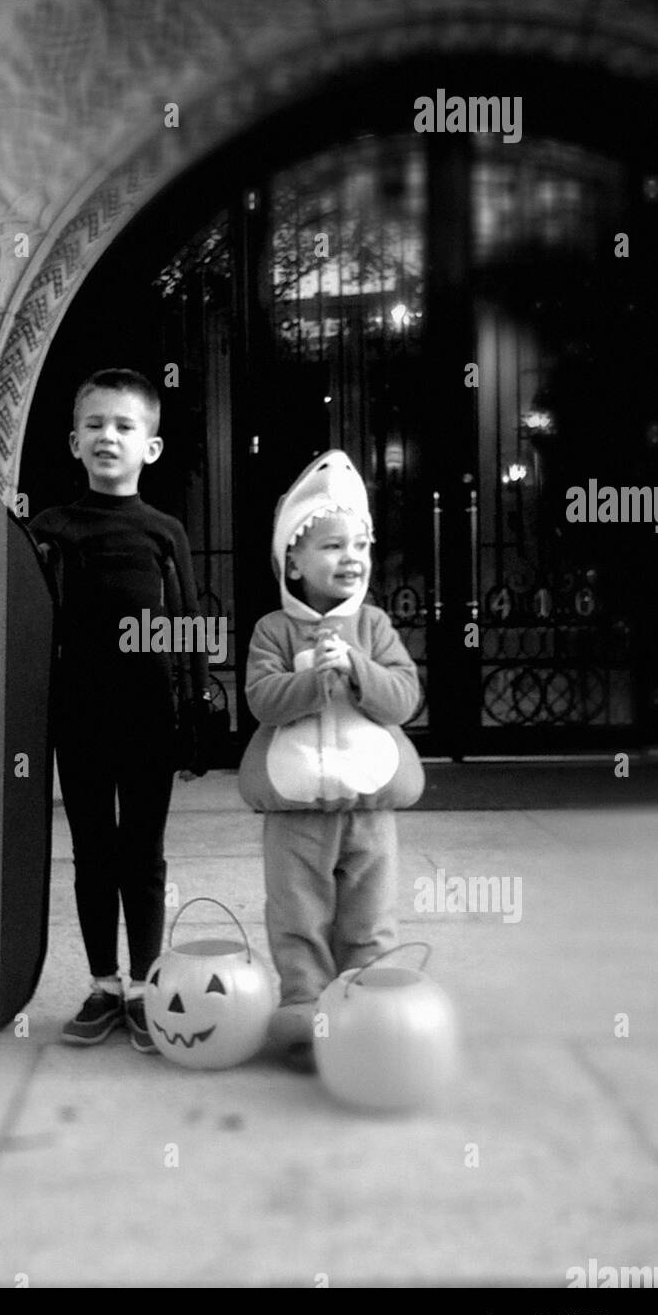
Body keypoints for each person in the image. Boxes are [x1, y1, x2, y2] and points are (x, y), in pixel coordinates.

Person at [0, 369, 210, 1052]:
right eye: (94, 425)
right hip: (78, 715)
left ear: (150, 446)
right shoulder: (50, 528)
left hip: (149, 716)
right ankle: (103, 985)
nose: (108, 437)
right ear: (72, 440)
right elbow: (4, 594)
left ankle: (148, 989)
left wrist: (198, 707)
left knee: (143, 856)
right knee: (92, 854)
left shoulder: (166, 531)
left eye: (124, 426)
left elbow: (186, 621)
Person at [237, 451, 425, 1071]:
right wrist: (311, 679)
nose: (351, 558)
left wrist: (357, 669)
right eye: (332, 546)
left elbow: (403, 698)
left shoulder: (373, 626)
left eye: (361, 545)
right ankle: (304, 1012)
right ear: (293, 560)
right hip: (294, 815)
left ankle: (370, 1012)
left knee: (370, 919)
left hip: (370, 811)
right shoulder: (272, 631)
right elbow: (261, 700)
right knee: (297, 916)